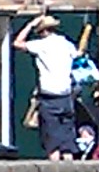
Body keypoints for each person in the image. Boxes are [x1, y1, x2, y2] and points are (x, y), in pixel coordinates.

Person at [14, 14, 83, 160]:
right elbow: (78, 54)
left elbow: (17, 43)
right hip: (66, 98)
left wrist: (30, 25)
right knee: (67, 143)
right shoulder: (66, 44)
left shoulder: (41, 45)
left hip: (49, 98)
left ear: (42, 31)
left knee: (53, 143)